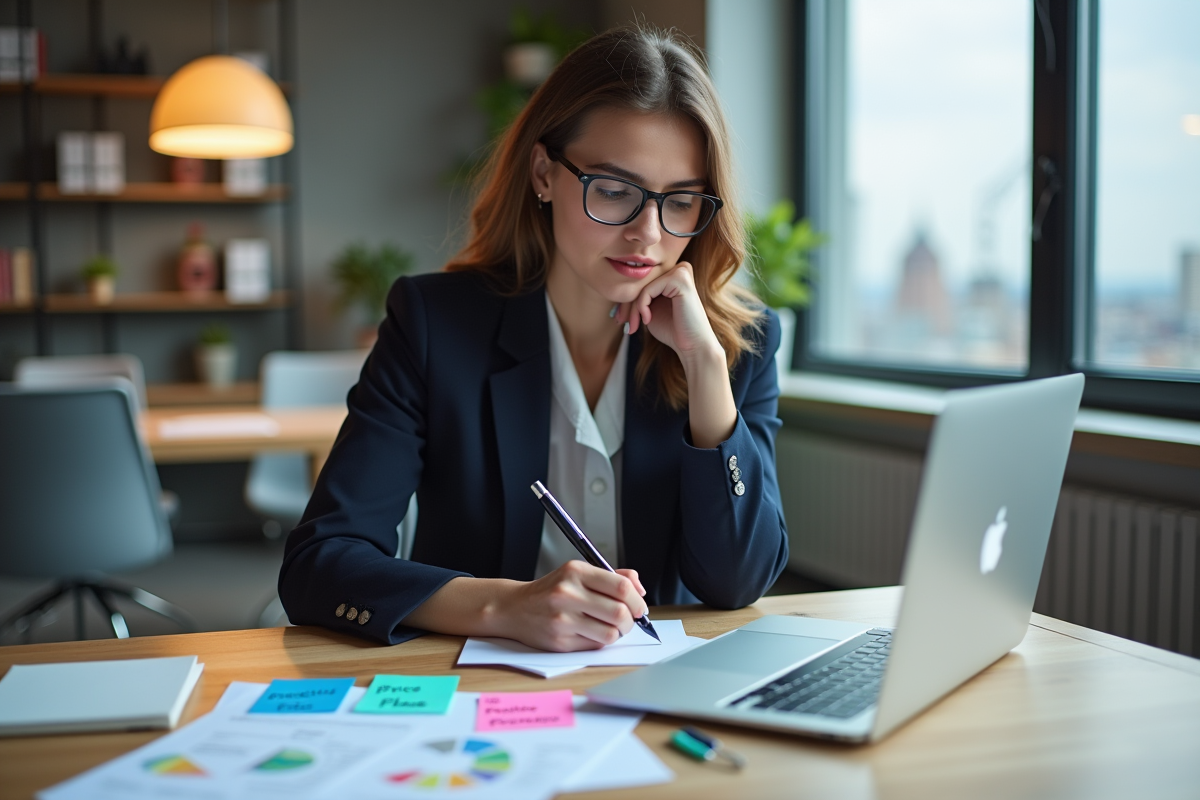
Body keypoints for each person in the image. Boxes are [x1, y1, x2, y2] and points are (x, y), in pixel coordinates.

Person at [278, 26, 788, 652]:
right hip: (478, 694)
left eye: (679, 202)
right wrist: (502, 605)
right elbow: (320, 563)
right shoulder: (435, 325)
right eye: (614, 191)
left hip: (665, 691)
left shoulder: (738, 346)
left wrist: (707, 373)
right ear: (544, 173)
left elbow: (737, 584)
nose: (647, 234)